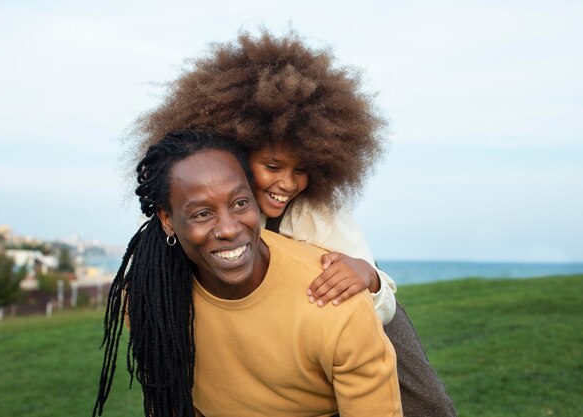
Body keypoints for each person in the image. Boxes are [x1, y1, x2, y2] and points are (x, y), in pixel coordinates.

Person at [132, 31, 457, 416]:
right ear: (235, 153)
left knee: (429, 404)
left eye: (301, 169)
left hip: (364, 312)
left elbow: (378, 297)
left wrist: (366, 277)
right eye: (272, 167)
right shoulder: (208, 211)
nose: (287, 183)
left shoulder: (318, 216)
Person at [93, 129, 402, 417]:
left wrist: (369, 278)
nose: (228, 228)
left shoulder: (333, 288)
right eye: (203, 213)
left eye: (240, 203)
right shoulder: (151, 299)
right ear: (168, 220)